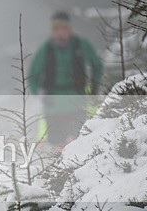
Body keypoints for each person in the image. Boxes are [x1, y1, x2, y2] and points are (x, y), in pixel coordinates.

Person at [27, 10, 103, 146]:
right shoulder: (45, 49)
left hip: (78, 101)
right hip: (53, 104)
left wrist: (94, 88)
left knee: (80, 141)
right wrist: (40, 94)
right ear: (52, 29)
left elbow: (97, 66)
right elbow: (32, 76)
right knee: (56, 143)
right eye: (56, 28)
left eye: (64, 28)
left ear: (69, 29)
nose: (60, 31)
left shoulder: (81, 45)